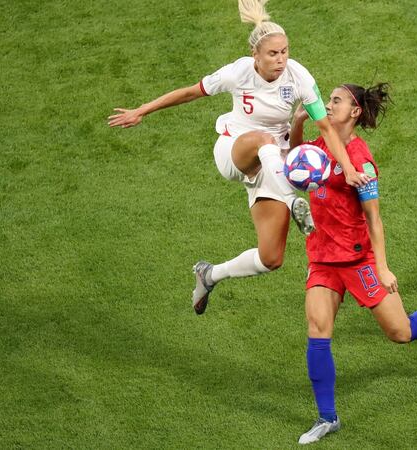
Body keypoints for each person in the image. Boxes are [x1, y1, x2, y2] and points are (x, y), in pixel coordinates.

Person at [108, 0, 369, 315]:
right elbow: (190, 92)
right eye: (273, 53)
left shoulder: (298, 77)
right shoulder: (237, 72)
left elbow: (326, 127)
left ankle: (209, 274)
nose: (281, 59)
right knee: (264, 139)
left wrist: (351, 169)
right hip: (235, 152)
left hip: (271, 167)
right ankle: (293, 202)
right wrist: (141, 111)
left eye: (285, 51)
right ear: (255, 55)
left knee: (271, 258)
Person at [288, 83, 417, 444]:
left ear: (354, 111)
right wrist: (298, 121)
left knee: (401, 332)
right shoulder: (322, 145)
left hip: (357, 260)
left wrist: (382, 267)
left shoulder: (360, 159)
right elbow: (296, 162)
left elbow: (374, 219)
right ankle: (327, 417)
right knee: (317, 330)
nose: (329, 104)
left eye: (336, 100)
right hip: (322, 258)